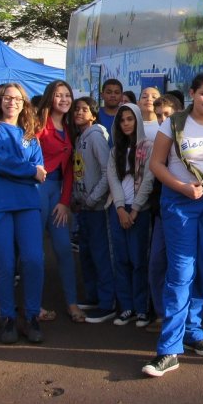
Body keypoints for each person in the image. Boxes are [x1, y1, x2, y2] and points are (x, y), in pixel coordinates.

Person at [142, 73, 203, 378]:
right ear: (192, 93)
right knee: (181, 271)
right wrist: (182, 187)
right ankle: (169, 348)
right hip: (179, 202)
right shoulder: (173, 123)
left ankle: (194, 331)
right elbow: (156, 164)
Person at [0, 82, 47, 344]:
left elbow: (38, 169)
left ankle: (32, 316)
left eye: (17, 98)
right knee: (5, 264)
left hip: (27, 202)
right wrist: (27, 171)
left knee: (33, 260)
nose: (12, 102)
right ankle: (7, 317)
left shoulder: (30, 135)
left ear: (24, 103)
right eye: (7, 98)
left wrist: (14, 170)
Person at [35, 80, 85, 324]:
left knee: (64, 250)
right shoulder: (36, 125)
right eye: (58, 95)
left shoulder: (70, 127)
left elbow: (69, 170)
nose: (64, 99)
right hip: (35, 191)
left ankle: (72, 302)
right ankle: (34, 305)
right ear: (49, 98)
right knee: (34, 253)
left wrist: (65, 201)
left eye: (67, 95)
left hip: (58, 193)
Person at [107, 103, 154, 326]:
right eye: (122, 120)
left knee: (139, 260)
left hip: (139, 212)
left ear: (137, 120)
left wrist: (134, 209)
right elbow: (113, 180)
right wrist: (119, 208)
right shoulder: (115, 150)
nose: (126, 123)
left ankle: (141, 308)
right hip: (118, 211)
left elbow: (148, 180)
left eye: (130, 119)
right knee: (121, 260)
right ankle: (125, 307)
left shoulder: (148, 146)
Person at [71, 95, 117, 322]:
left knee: (100, 255)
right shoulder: (79, 139)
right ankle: (93, 296)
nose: (79, 113)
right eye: (76, 109)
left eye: (83, 109)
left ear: (93, 114)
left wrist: (93, 198)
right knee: (86, 254)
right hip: (83, 208)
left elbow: (107, 170)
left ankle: (107, 302)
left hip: (97, 208)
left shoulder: (96, 137)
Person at [144, 92, 184, 334]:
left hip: (187, 212)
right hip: (161, 211)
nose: (162, 119)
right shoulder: (158, 141)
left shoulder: (190, 140)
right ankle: (161, 313)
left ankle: (192, 313)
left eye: (167, 115)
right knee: (157, 263)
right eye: (159, 116)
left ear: (178, 114)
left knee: (183, 266)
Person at [97, 78, 123, 144]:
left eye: (116, 93)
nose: (113, 95)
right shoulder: (94, 114)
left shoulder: (126, 115)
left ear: (122, 96)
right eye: (109, 92)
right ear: (102, 95)